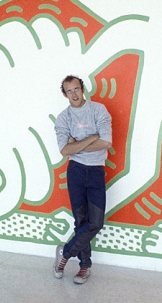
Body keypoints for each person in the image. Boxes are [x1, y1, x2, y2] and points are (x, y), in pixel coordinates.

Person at [53, 74, 112, 284]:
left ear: (82, 89)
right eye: (69, 91)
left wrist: (76, 144)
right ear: (64, 94)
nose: (74, 94)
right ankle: (84, 266)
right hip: (76, 171)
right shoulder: (63, 118)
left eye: (76, 89)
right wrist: (91, 138)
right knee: (81, 222)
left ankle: (65, 253)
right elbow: (64, 151)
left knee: (95, 222)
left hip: (96, 171)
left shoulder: (98, 110)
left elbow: (106, 142)